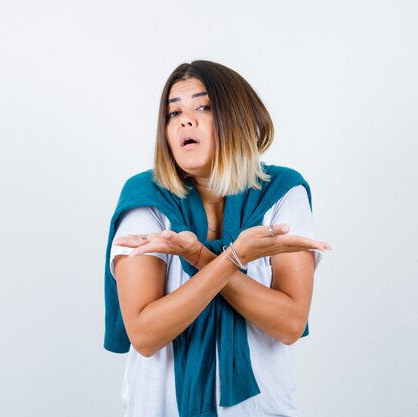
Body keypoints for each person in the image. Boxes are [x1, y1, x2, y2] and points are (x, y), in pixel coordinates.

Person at [103, 60, 330, 417]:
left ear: (237, 117)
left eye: (203, 107)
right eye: (173, 113)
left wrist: (201, 257)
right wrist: (233, 258)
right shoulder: (144, 197)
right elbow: (145, 335)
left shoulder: (284, 192)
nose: (185, 121)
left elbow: (289, 323)